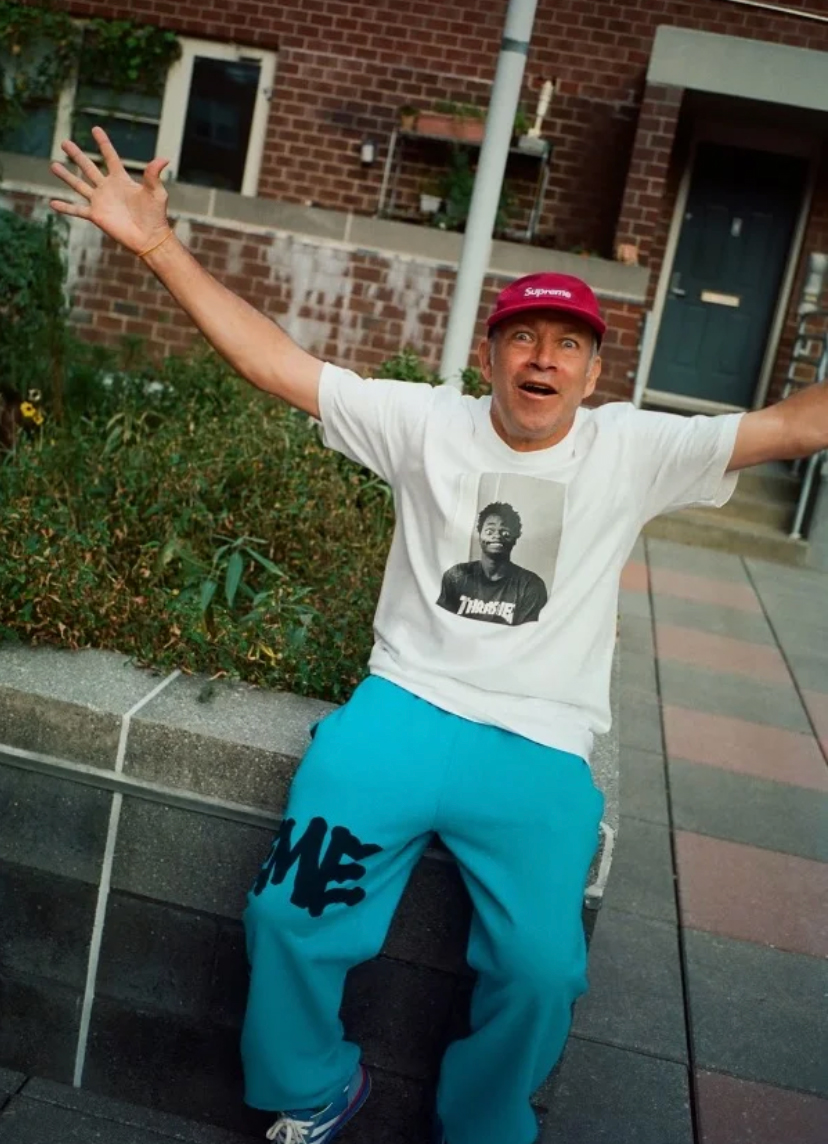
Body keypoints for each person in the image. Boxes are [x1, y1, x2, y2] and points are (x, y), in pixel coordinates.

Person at [49, 128, 828, 1144]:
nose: (543, 357)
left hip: (541, 743)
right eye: (523, 337)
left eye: (568, 344)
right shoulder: (425, 423)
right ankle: (311, 1087)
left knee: (542, 969)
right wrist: (157, 246)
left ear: (594, 369)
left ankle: (484, 1126)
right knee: (289, 911)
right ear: (489, 356)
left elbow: (796, 425)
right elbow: (275, 364)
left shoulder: (635, 448)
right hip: (403, 711)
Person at [437, 501, 548, 625]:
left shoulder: (530, 586)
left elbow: (527, 634)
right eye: (489, 531)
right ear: (479, 535)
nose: (497, 536)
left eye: (505, 532)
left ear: (515, 538)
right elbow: (441, 625)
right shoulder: (456, 576)